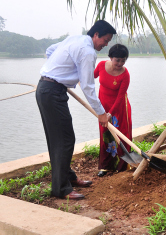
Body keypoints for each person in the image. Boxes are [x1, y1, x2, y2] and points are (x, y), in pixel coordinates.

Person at [36, 20, 116, 200]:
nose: (106, 44)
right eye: (105, 39)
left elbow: (50, 51)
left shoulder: (75, 39)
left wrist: (60, 73)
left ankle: (69, 178)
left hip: (48, 89)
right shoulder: (87, 52)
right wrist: (101, 113)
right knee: (64, 140)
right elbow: (88, 87)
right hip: (52, 92)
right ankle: (61, 189)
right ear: (96, 35)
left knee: (60, 138)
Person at [94, 44, 132, 176]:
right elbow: (91, 76)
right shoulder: (101, 66)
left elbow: (121, 97)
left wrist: (110, 113)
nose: (120, 63)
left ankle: (123, 167)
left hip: (119, 108)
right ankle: (106, 167)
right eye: (117, 60)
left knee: (121, 135)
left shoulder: (125, 75)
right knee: (105, 134)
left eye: (123, 60)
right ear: (110, 57)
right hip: (102, 106)